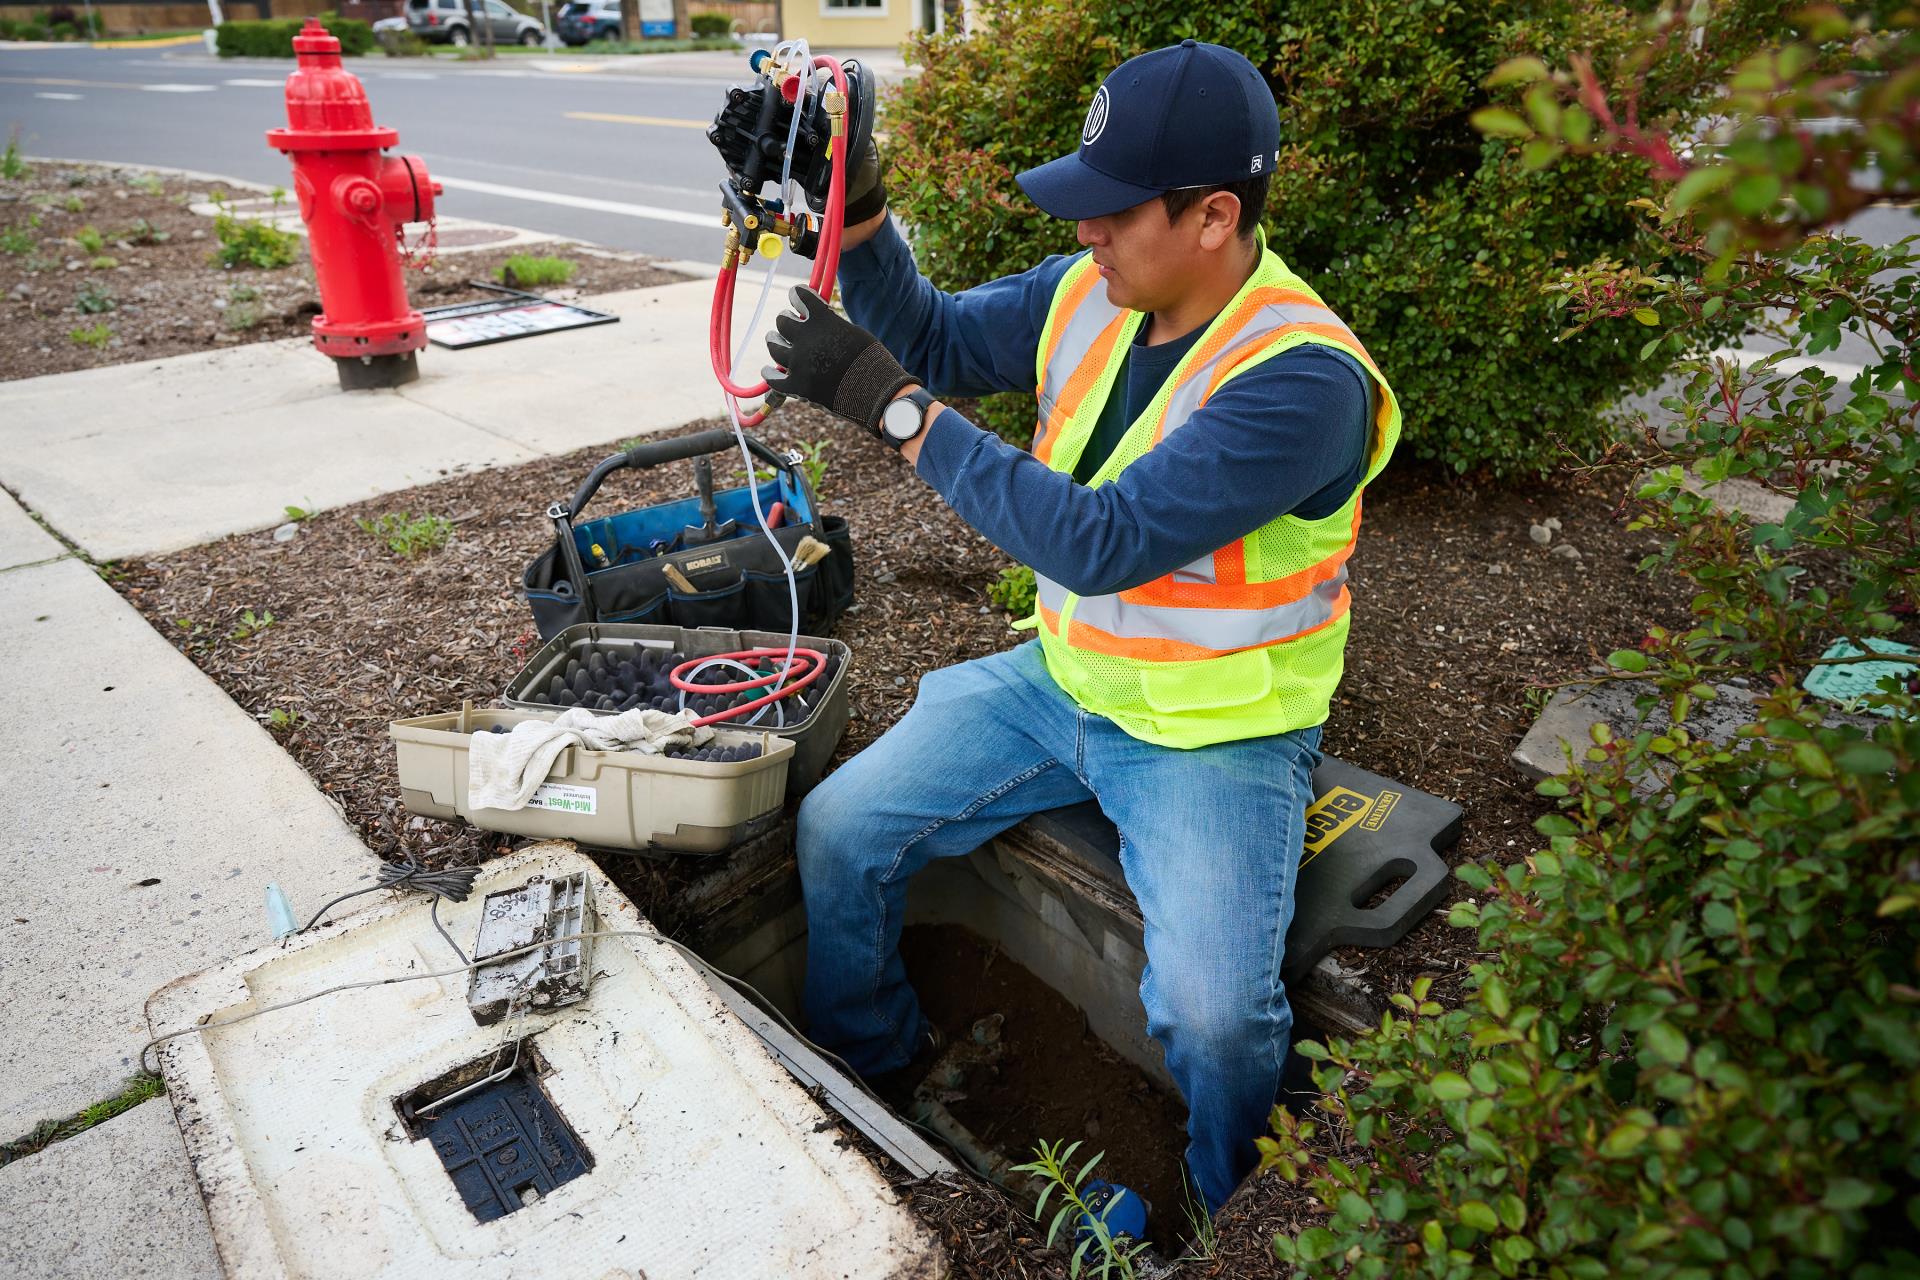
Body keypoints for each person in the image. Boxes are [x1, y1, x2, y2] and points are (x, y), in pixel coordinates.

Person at [761, 39, 1402, 1216]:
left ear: (1213, 216)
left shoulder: (1301, 381)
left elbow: (1097, 539)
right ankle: (874, 1068)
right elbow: (943, 338)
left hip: (1218, 734)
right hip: (1063, 678)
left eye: (1113, 213)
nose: (1087, 235)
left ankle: (1227, 1214)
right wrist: (858, 214)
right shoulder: (1091, 295)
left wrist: (891, 408)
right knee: (841, 827)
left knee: (1214, 1017)